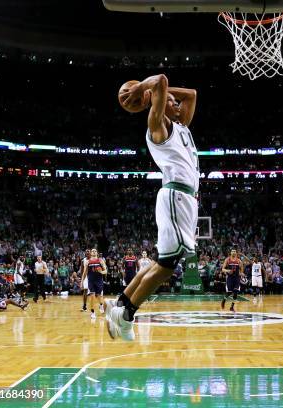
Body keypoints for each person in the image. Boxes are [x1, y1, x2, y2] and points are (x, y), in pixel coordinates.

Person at [106, 74, 198, 341]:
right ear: (159, 104)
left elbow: (191, 92)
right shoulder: (157, 126)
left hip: (186, 199)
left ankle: (121, 304)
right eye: (171, 101)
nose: (177, 104)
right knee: (168, 266)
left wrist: (167, 91)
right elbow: (161, 80)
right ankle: (126, 316)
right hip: (175, 196)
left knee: (161, 261)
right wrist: (145, 89)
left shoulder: (181, 126)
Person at [83, 248, 107, 320]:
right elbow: (85, 272)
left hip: (99, 281)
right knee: (92, 296)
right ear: (91, 253)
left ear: (97, 253)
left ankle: (101, 305)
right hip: (91, 281)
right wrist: (82, 282)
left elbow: (105, 270)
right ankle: (92, 312)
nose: (93, 252)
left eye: (95, 251)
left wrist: (101, 272)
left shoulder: (100, 260)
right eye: (92, 251)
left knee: (98, 296)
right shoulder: (87, 262)